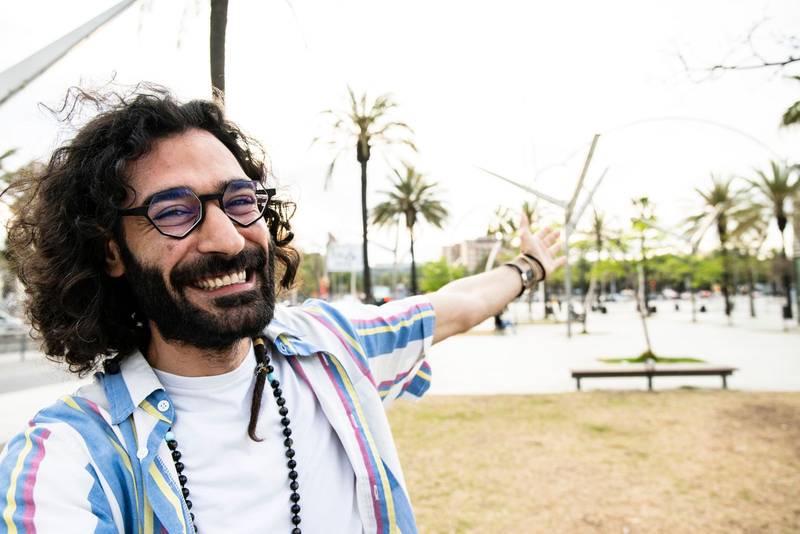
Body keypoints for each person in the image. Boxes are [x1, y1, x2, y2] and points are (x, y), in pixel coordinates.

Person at [0, 87, 564, 533]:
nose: (227, 238)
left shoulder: (333, 351)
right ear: (109, 251)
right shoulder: (70, 458)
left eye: (240, 201)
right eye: (174, 211)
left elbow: (454, 307)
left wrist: (527, 269)